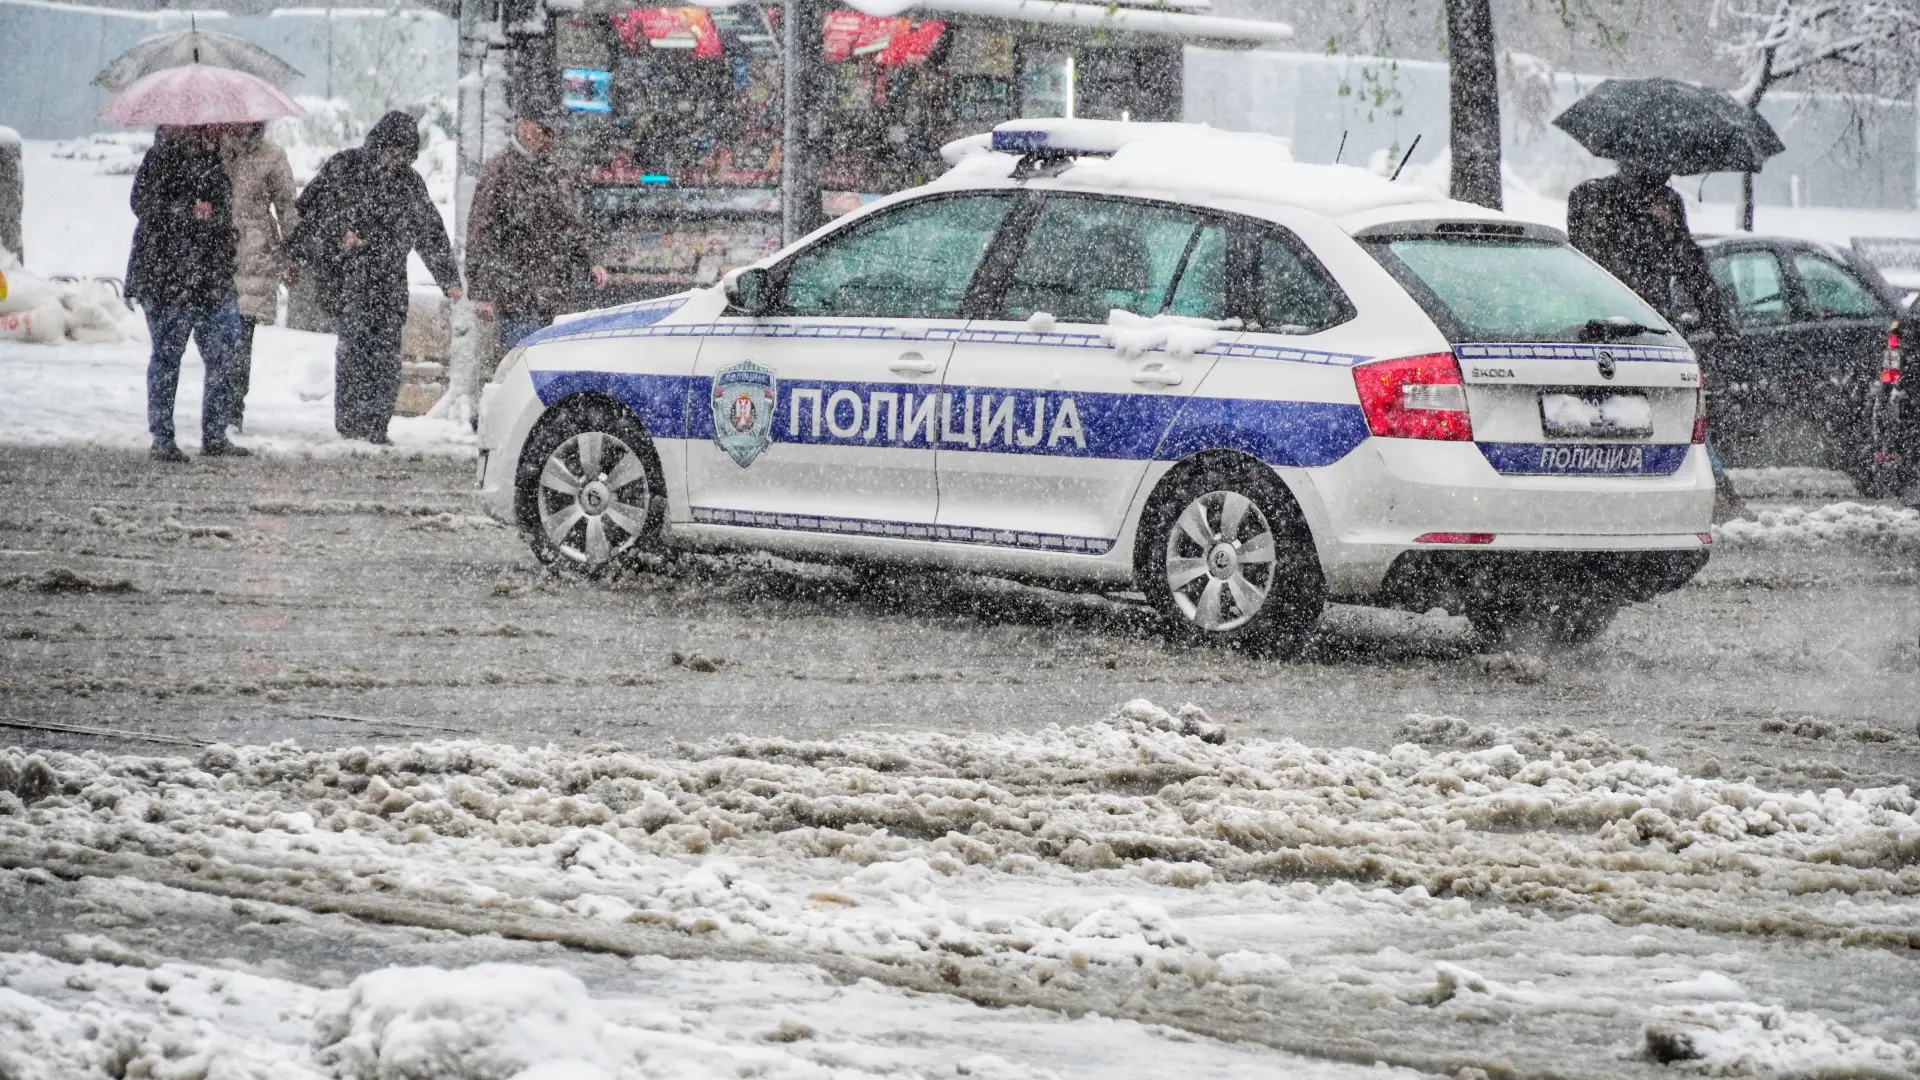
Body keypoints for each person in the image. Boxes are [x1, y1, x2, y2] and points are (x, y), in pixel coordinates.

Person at [1568, 160, 1745, 518]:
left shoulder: (1643, 202)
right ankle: (1713, 492)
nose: (1665, 175)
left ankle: (1703, 489)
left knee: (1654, 411)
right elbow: (1584, 257)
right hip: (1630, 329)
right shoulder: (1593, 198)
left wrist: (1668, 233)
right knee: (1661, 411)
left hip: (1634, 329)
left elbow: (1689, 267)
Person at [291, 110, 460, 443]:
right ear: (378, 143)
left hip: (388, 282)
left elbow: (430, 232)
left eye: (403, 154)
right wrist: (337, 237)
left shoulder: (409, 183)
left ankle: (377, 426)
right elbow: (307, 215)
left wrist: (448, 278)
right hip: (347, 278)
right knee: (354, 352)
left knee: (385, 358)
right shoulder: (344, 168)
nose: (395, 159)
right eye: (391, 150)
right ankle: (351, 425)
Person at [126, 124, 248, 462]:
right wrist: (184, 212)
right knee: (167, 357)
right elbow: (141, 204)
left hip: (210, 278)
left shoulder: (215, 162)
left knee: (224, 353)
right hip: (167, 278)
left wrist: (215, 218)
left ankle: (215, 433)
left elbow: (224, 215)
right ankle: (162, 438)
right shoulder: (159, 158)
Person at [466, 106, 608, 370]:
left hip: (555, 295)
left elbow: (570, 223)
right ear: (523, 126)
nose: (546, 137)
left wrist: (591, 260)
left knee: (551, 372)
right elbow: (480, 233)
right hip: (515, 295)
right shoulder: (499, 171)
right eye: (541, 129)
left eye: (550, 132)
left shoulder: (554, 172)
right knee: (516, 369)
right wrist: (482, 292)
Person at [220, 122, 299, 435]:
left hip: (253, 254)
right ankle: (218, 408)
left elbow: (287, 208)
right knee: (219, 337)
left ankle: (231, 410)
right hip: (216, 253)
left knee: (241, 335)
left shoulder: (272, 156)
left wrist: (291, 257)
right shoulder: (213, 150)